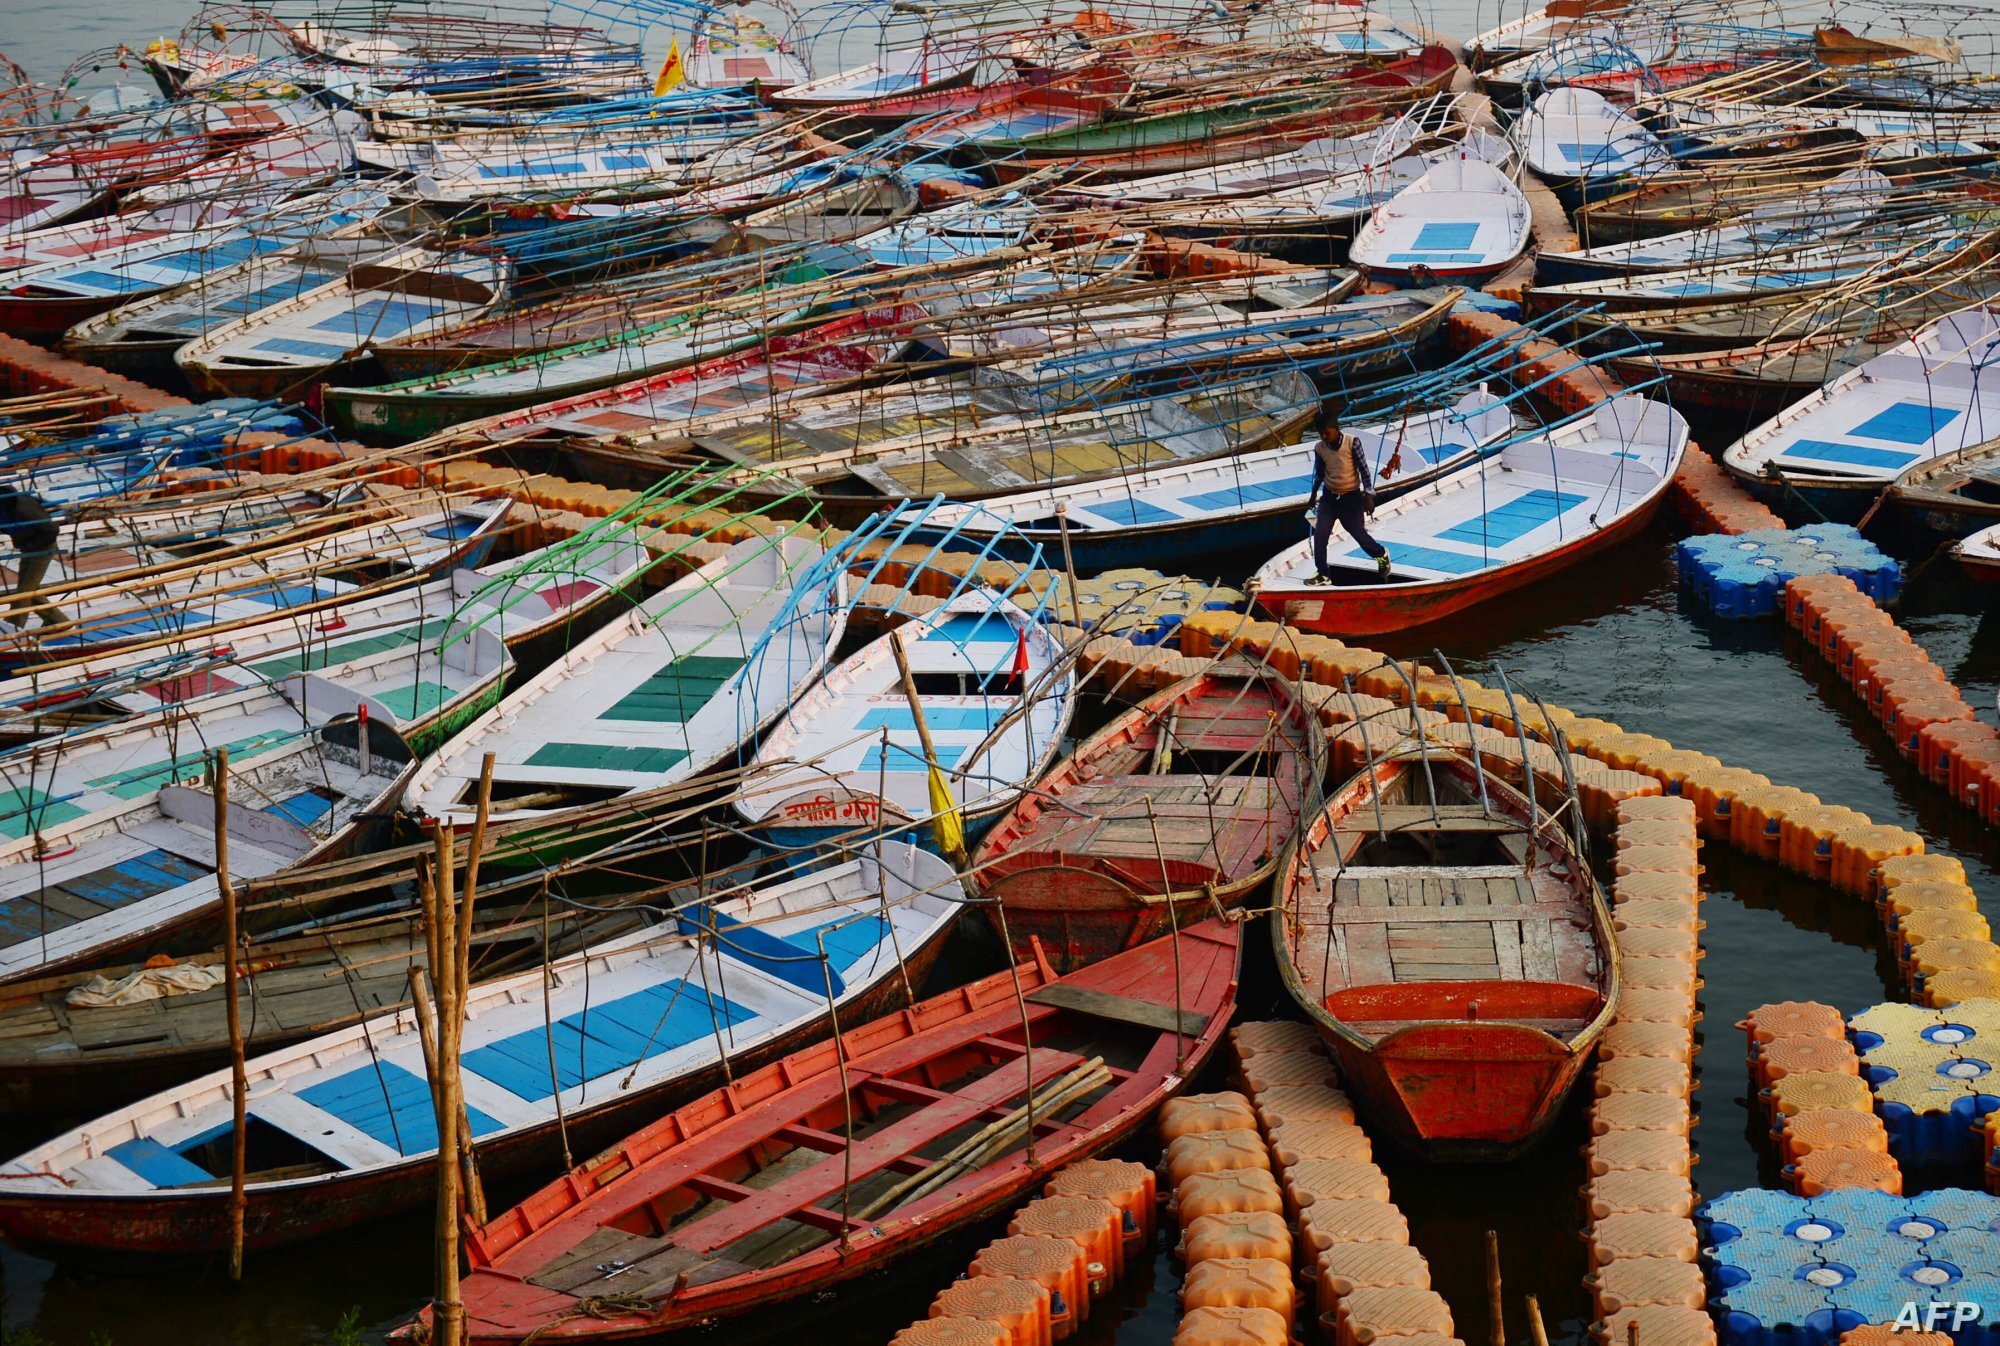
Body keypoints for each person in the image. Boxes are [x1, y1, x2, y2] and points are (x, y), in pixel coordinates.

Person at [1304, 404, 1392, 585]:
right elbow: (1320, 472)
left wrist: (1368, 495)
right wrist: (1313, 495)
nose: (1324, 437)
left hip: (1350, 497)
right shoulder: (1320, 448)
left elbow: (1364, 470)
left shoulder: (1352, 443)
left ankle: (1381, 554)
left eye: (1327, 433)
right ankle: (1323, 574)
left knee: (1358, 534)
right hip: (1329, 497)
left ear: (1336, 429)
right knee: (1320, 536)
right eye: (1321, 434)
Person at [0, 485, 65, 628]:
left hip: (43, 547)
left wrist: (32, 544)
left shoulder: (22, 508)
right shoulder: (4, 508)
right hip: (27, 546)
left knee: (24, 591)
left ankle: (14, 627)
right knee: (30, 588)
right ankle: (59, 620)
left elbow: (52, 530)